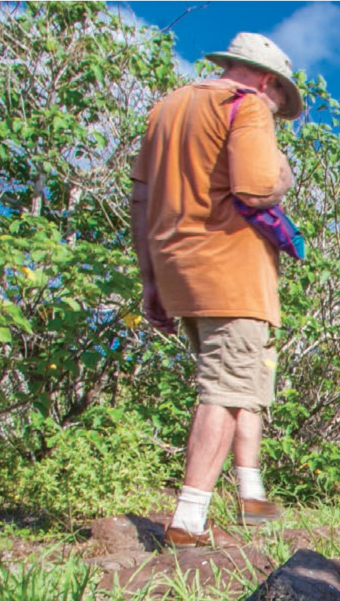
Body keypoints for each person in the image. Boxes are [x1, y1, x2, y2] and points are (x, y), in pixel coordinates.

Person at [130, 32, 303, 548]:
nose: (277, 110)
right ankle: (189, 519)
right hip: (232, 270)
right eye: (280, 100)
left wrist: (151, 280)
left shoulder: (166, 109)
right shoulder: (246, 106)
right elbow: (254, 186)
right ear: (268, 80)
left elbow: (141, 200)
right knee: (226, 392)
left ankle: (249, 503)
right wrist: (283, 175)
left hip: (177, 264)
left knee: (237, 388)